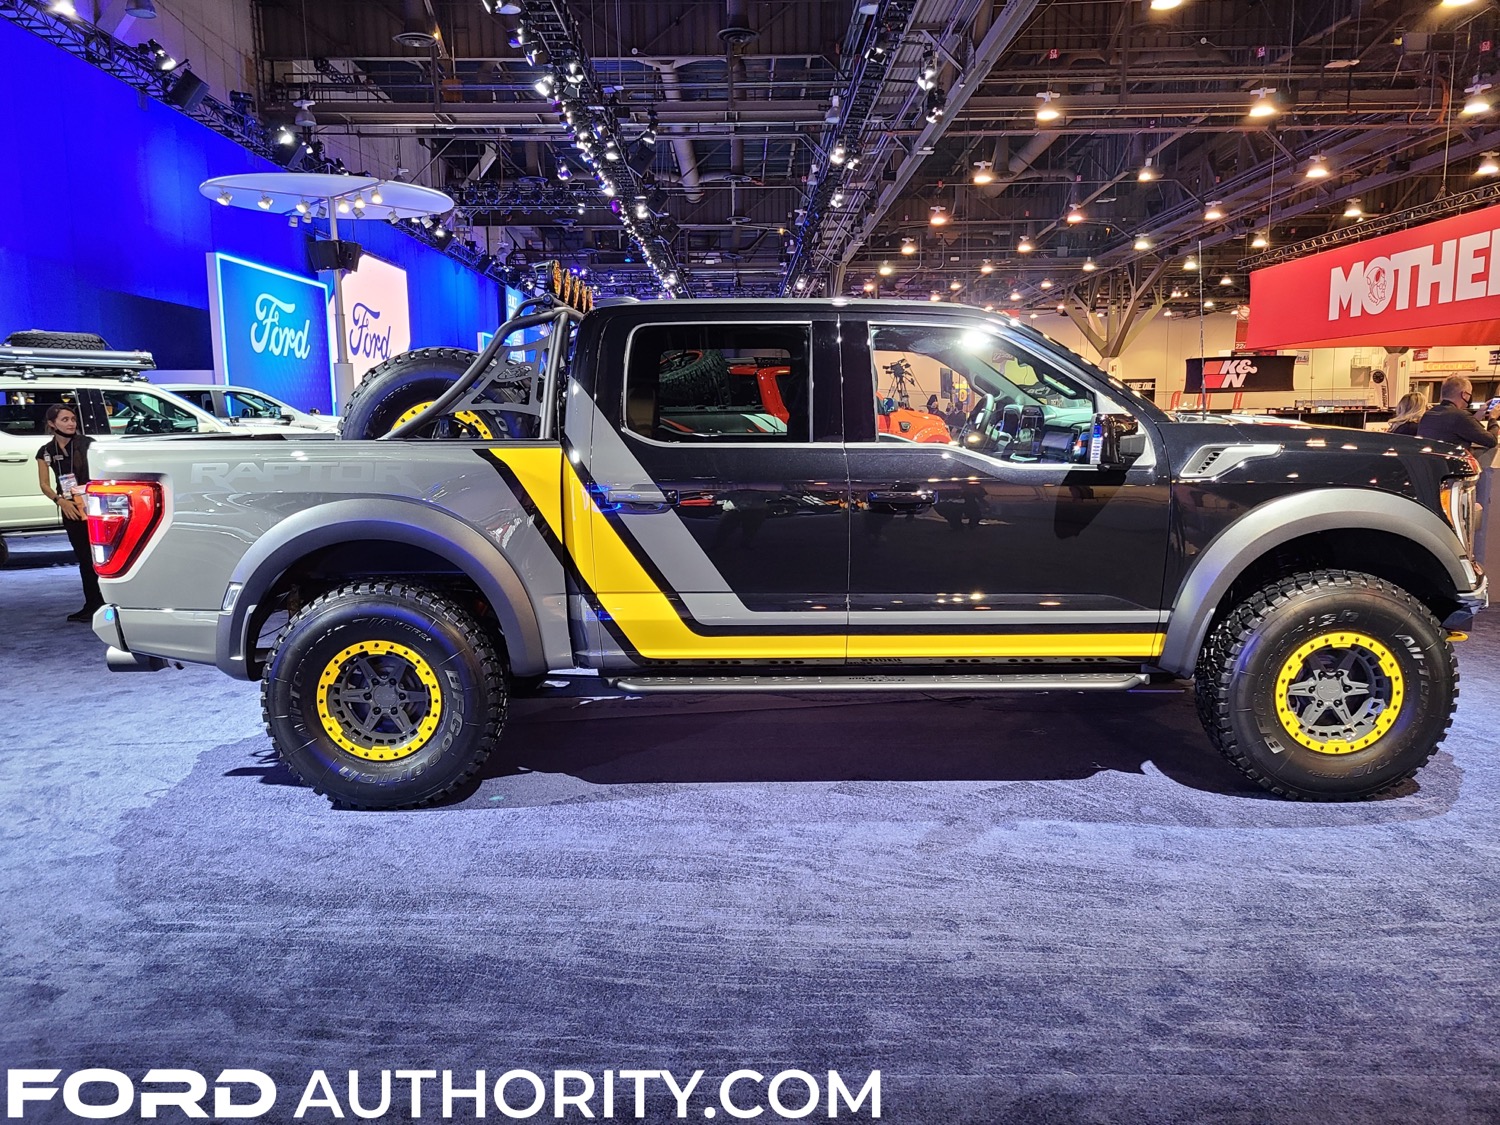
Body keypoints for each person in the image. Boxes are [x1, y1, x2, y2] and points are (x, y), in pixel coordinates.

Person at [35, 403, 103, 622]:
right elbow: (44, 484)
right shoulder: (46, 451)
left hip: (92, 506)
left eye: (73, 419)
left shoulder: (88, 445)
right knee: (84, 558)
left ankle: (107, 604)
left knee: (100, 556)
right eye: (65, 419)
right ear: (52, 424)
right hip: (69, 508)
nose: (71, 423)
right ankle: (91, 604)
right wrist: (60, 501)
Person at [1415, 375, 1498, 451]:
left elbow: (1458, 428)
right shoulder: (1460, 416)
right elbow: (1491, 441)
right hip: (1453, 465)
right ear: (1464, 394)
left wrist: (1478, 414)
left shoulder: (1428, 414)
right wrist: (1493, 418)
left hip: (1433, 465)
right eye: (1470, 394)